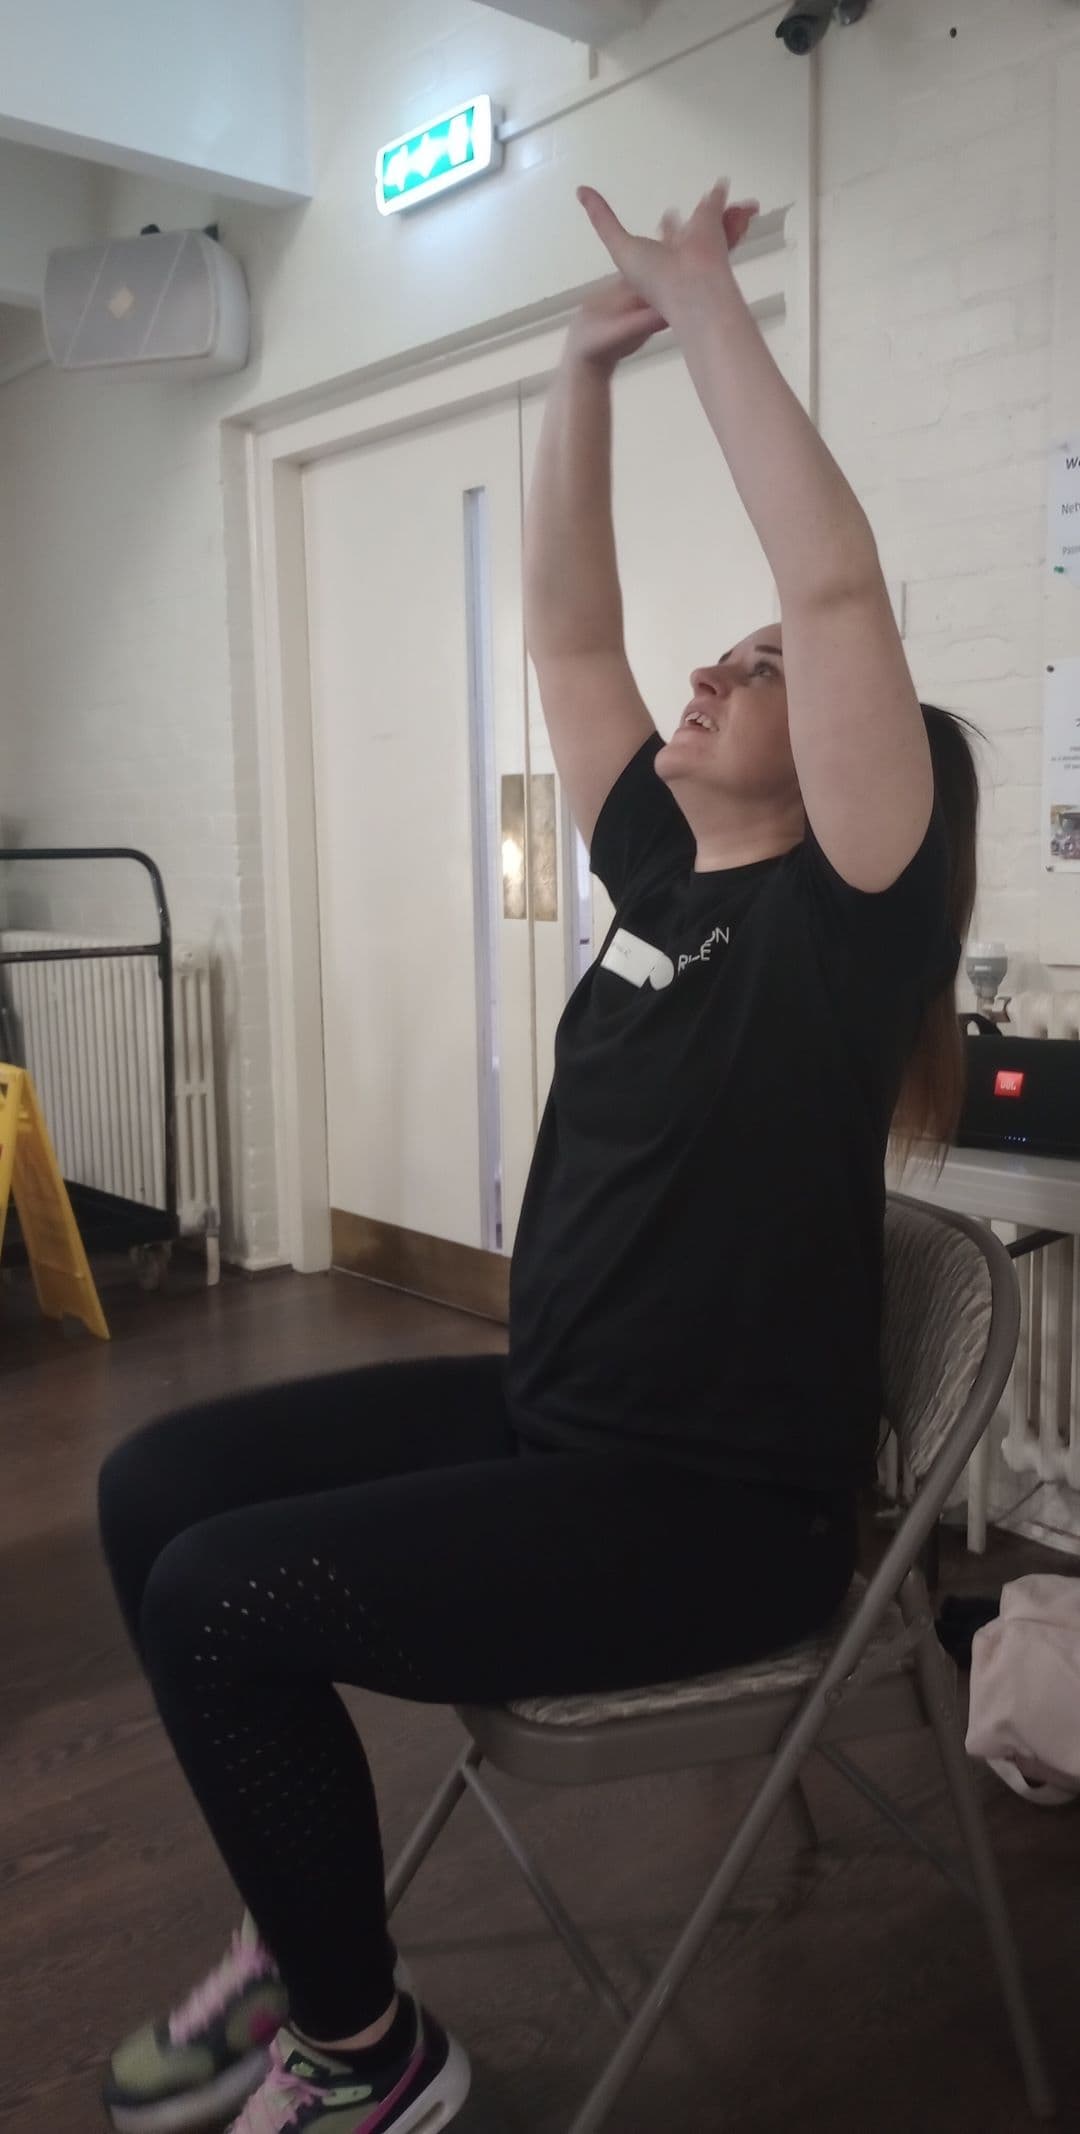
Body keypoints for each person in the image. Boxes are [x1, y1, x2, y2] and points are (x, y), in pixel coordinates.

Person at [98, 183, 977, 2134]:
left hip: (710, 1514)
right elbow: (569, 624)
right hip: (552, 1416)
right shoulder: (661, 871)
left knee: (225, 1603)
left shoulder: (849, 924)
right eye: (730, 656)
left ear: (862, 759)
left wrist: (707, 305)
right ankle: (312, 1924)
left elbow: (836, 594)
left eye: (756, 667)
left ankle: (363, 2043)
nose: (714, 671)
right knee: (153, 1487)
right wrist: (583, 365)